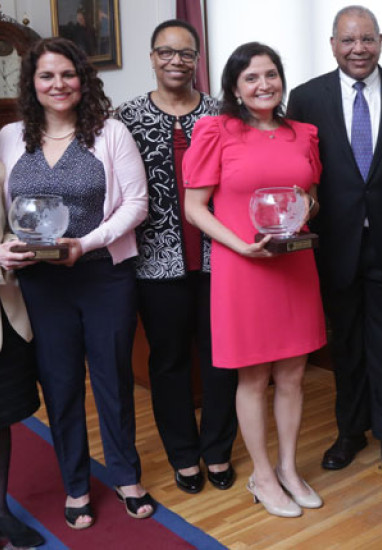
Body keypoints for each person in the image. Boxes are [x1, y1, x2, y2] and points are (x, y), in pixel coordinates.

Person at [0, 37, 151, 529]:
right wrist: (4, 246)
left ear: (83, 80)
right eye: (47, 76)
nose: (58, 84)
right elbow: (4, 214)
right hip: (40, 284)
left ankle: (127, 476)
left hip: (104, 274)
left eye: (68, 74)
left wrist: (84, 244)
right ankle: (77, 484)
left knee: (112, 379)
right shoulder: (9, 137)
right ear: (32, 84)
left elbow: (136, 204)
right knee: (61, 385)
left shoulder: (110, 133)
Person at [287, 5, 382, 481]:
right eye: (348, 40)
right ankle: (350, 431)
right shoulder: (306, 98)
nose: (358, 49)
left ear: (381, 41)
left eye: (367, 39)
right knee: (345, 342)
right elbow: (296, 172)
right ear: (333, 44)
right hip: (334, 244)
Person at [183, 42, 326, 518]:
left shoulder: (302, 133)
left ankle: (288, 468)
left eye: (271, 75)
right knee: (254, 375)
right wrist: (240, 245)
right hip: (243, 268)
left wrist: (303, 213)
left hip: (294, 265)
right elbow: (194, 207)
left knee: (293, 374)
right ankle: (262, 477)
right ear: (235, 88)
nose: (263, 85)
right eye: (251, 78)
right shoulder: (216, 131)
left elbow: (309, 196)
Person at [115, 19, 238, 496]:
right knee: (168, 362)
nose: (176, 61)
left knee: (220, 359)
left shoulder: (221, 114)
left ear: (197, 60)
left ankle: (218, 448)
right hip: (155, 262)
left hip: (219, 258)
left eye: (185, 53)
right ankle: (183, 456)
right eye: (166, 52)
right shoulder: (126, 117)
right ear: (151, 58)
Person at [0, 163, 44, 548]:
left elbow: (13, 219)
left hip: (5, 311)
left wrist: (19, 241)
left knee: (2, 418)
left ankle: (0, 512)